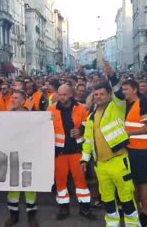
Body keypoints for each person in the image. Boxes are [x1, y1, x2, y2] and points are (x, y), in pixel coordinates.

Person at [81, 60, 140, 227]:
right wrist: (84, 159)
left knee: (127, 200)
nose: (98, 97)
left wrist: (112, 76)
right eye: (96, 95)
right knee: (108, 201)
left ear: (108, 95)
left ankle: (133, 225)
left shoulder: (118, 107)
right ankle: (112, 224)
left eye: (101, 94)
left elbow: (120, 93)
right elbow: (88, 140)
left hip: (118, 162)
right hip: (101, 166)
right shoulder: (92, 116)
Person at [49, 84, 95, 221]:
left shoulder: (81, 108)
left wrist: (80, 130)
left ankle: (85, 208)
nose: (61, 97)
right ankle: (63, 208)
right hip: (60, 153)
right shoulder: (51, 110)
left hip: (77, 151)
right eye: (60, 94)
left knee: (81, 181)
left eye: (64, 94)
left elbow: (89, 125)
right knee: (61, 182)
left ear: (70, 94)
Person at [122, 79, 147, 226]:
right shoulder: (126, 104)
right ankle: (134, 210)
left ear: (134, 89)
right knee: (133, 181)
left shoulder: (144, 103)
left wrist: (129, 133)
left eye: (126, 89)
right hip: (129, 148)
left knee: (142, 181)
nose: (124, 92)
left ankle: (145, 213)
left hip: (140, 149)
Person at [4, 90, 38, 227]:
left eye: (16, 98)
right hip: (12, 155)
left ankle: (31, 216)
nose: (13, 100)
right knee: (13, 187)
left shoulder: (33, 116)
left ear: (23, 101)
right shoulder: (7, 116)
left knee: (29, 186)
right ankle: (13, 215)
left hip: (28, 154)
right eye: (12, 97)